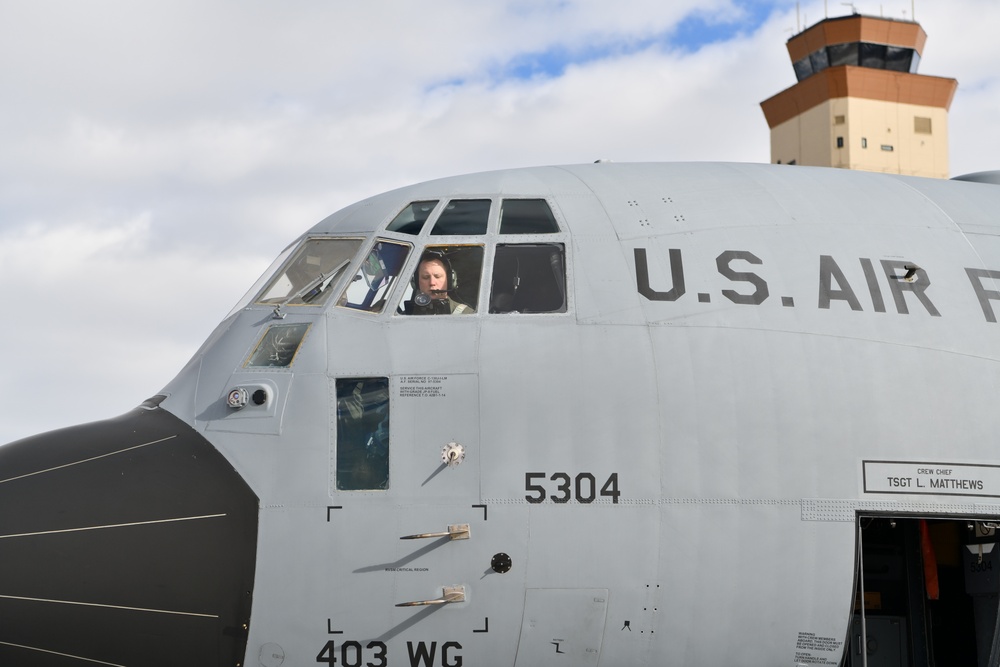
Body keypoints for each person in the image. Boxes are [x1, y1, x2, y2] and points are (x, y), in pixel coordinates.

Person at [403, 252, 475, 315]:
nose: (432, 283)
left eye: (437, 276)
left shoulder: (467, 315)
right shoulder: (403, 317)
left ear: (450, 280)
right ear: (416, 282)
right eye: (425, 277)